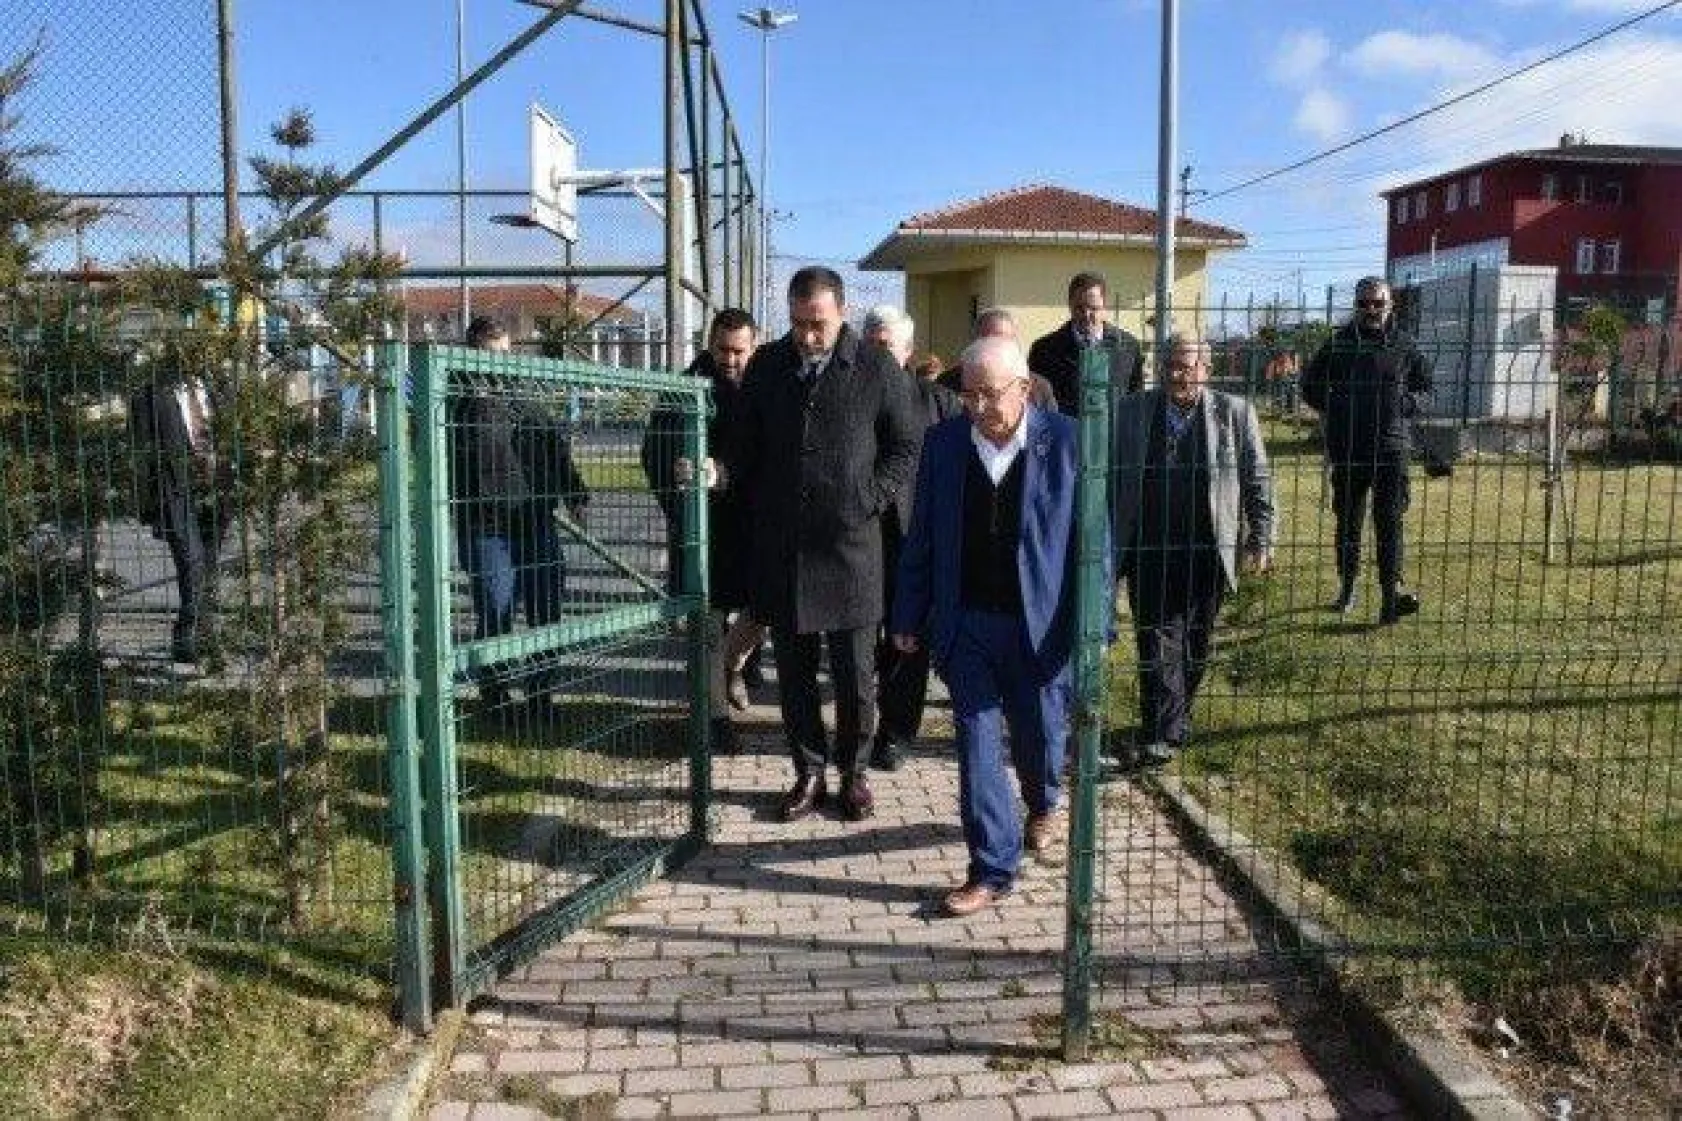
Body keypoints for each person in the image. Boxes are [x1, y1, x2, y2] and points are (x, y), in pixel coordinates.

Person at [709, 267, 921, 822]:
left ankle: (854, 775)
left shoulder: (876, 367)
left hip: (852, 551)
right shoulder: (768, 368)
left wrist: (868, 499)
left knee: (854, 676)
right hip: (786, 551)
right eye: (799, 324)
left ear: (842, 313)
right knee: (797, 677)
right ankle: (808, 771)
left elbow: (904, 446)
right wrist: (721, 472)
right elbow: (745, 449)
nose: (807, 337)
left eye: (818, 325)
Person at [890, 336, 1084, 916]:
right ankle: (992, 868)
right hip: (967, 624)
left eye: (989, 394)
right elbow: (921, 535)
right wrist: (907, 615)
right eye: (967, 393)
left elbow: (1092, 545)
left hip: (1039, 627)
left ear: (1024, 389)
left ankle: (1044, 800)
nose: (976, 406)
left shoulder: (1070, 442)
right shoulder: (944, 444)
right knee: (976, 746)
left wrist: (1093, 627)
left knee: (1039, 738)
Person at [1108, 334, 1274, 772]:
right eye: (1171, 366)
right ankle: (1162, 732)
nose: (1179, 375)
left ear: (1207, 369)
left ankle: (1173, 717)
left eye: (1188, 366)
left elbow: (1257, 478)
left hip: (1208, 548)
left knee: (1196, 643)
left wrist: (1262, 535)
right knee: (1156, 638)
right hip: (1148, 546)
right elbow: (1110, 477)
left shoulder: (1234, 414)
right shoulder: (1132, 411)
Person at [640, 307, 766, 753]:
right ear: (708, 345)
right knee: (706, 625)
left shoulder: (767, 387)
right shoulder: (682, 389)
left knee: (764, 610)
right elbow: (652, 453)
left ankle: (734, 666)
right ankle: (715, 716)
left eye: (739, 351)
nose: (729, 360)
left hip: (755, 525)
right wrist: (678, 494)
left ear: (755, 345)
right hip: (701, 528)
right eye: (722, 350)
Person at [450, 316, 589, 710]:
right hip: (485, 526)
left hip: (535, 521)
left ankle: (541, 692)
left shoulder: (525, 400)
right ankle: (495, 691)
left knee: (546, 609)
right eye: (491, 357)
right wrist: (478, 400)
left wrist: (575, 493)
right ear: (471, 354)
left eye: (506, 356)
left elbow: (555, 448)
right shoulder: (455, 401)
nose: (500, 365)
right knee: (497, 607)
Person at [862, 305, 965, 772]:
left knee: (908, 644)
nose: (882, 354)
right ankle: (859, 730)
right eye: (875, 344)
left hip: (915, 542)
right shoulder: (844, 397)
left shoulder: (937, 402)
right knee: (860, 645)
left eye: (890, 346)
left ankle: (897, 733)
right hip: (858, 543)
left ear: (907, 351)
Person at [1300, 276, 1432, 624]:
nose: (1371, 309)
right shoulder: (1338, 344)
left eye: (1378, 303)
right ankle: (1347, 587)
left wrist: (1406, 403)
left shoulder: (1405, 345)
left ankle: (1391, 595)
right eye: (1364, 303)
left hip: (1392, 449)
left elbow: (1428, 389)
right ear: (1356, 306)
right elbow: (1310, 386)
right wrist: (1337, 407)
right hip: (1349, 450)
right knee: (1348, 522)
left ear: (1391, 305)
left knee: (1389, 521)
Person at [128, 371, 227, 663]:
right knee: (191, 558)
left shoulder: (218, 384)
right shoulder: (150, 394)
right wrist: (148, 504)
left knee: (207, 561)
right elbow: (141, 451)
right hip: (175, 491)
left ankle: (203, 634)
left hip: (215, 489)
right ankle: (187, 636)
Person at [1027, 272, 1144, 415]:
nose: (1086, 315)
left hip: (1114, 435)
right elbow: (1035, 406)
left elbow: (1136, 401)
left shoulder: (1128, 347)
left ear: (1104, 306)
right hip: (1065, 434)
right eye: (1079, 308)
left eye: (1093, 308)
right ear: (1069, 305)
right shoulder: (1044, 350)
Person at [938, 308, 1057, 409]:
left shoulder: (1039, 387)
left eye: (1004, 339)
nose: (997, 346)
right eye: (991, 340)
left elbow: (1051, 429)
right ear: (975, 342)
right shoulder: (947, 384)